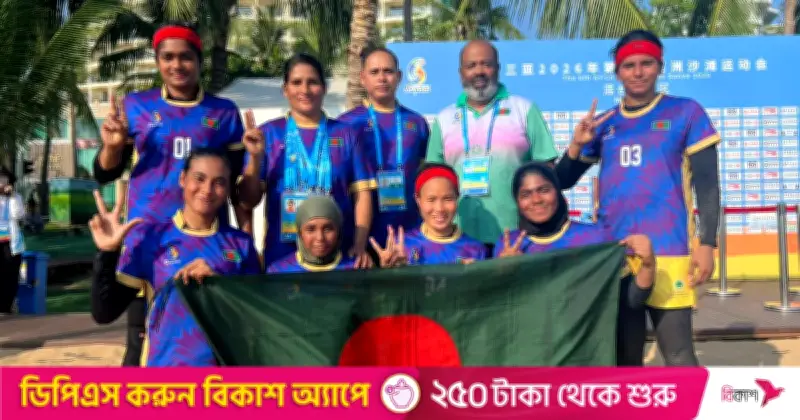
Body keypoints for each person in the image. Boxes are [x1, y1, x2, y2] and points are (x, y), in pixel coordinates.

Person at [554, 30, 720, 366]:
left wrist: (707, 244)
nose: (638, 72)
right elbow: (562, 181)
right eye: (629, 65)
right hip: (616, 252)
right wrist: (576, 145)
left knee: (678, 353)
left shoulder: (686, 112)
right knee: (624, 357)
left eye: (647, 63)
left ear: (660, 67)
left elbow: (707, 186)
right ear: (617, 72)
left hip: (669, 249)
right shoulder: (605, 124)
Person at [91, 22, 248, 366]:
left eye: (185, 57)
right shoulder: (136, 106)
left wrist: (245, 236)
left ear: (199, 61)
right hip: (149, 243)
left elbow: (236, 184)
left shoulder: (223, 112)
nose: (177, 65)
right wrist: (113, 147)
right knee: (144, 340)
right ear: (158, 61)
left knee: (207, 341)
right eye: (168, 57)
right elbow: (105, 172)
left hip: (206, 244)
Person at [89, 149, 261, 367]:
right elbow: (104, 313)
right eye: (199, 178)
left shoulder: (240, 245)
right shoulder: (152, 239)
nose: (207, 190)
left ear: (227, 189)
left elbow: (254, 319)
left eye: (219, 182)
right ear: (182, 179)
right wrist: (107, 252)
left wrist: (218, 287)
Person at [495, 162, 656, 366]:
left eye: (544, 190)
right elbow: (497, 316)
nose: (536, 200)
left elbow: (630, 301)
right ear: (517, 202)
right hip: (533, 361)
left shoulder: (595, 238)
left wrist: (648, 266)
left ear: (558, 192)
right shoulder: (507, 245)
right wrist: (503, 274)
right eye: (526, 194)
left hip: (586, 360)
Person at [238, 53, 375, 269]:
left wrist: (359, 244)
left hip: (339, 256)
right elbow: (248, 201)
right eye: (296, 83)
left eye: (312, 82)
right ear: (285, 89)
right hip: (282, 256)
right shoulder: (268, 134)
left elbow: (363, 195)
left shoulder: (346, 133)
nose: (305, 90)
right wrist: (255, 158)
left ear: (324, 88)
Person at [425, 40, 558, 255]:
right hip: (458, 237)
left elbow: (547, 171)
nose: (479, 71)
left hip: (515, 236)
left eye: (486, 64)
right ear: (461, 73)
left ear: (498, 68)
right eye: (471, 65)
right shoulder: (444, 118)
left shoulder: (524, 109)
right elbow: (432, 180)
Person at [337, 46, 430, 258]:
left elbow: (425, 179)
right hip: (359, 237)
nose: (382, 78)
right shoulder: (346, 124)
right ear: (362, 78)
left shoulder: (416, 122)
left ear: (399, 77)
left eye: (388, 71)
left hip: (409, 233)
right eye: (374, 72)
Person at [371, 163, 486, 267]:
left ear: (457, 198)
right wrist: (391, 270)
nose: (439, 208)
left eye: (448, 199)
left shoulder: (475, 249)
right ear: (418, 200)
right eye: (431, 199)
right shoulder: (403, 245)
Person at [267, 196, 359, 273]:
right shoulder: (278, 271)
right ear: (300, 232)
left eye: (327, 229)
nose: (320, 238)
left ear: (339, 231)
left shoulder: (355, 269)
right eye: (310, 229)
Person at [0, 167, 25, 314]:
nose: (1, 183)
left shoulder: (15, 198)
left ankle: (6, 306)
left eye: (4, 180)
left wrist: (13, 196)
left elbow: (18, 215)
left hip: (11, 243)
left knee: (10, 274)